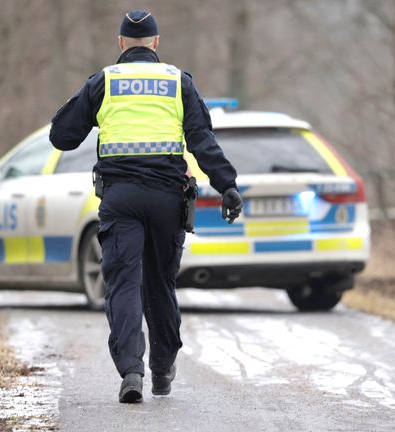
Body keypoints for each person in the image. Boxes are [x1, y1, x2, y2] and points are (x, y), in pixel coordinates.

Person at [50, 9, 243, 403]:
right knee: (160, 284)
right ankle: (162, 369)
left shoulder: (105, 81)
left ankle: (131, 371)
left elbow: (62, 137)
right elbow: (202, 140)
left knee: (122, 283)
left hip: (120, 199)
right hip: (166, 198)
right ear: (156, 43)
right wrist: (228, 185)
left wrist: (84, 102)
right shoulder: (178, 82)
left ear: (121, 43)